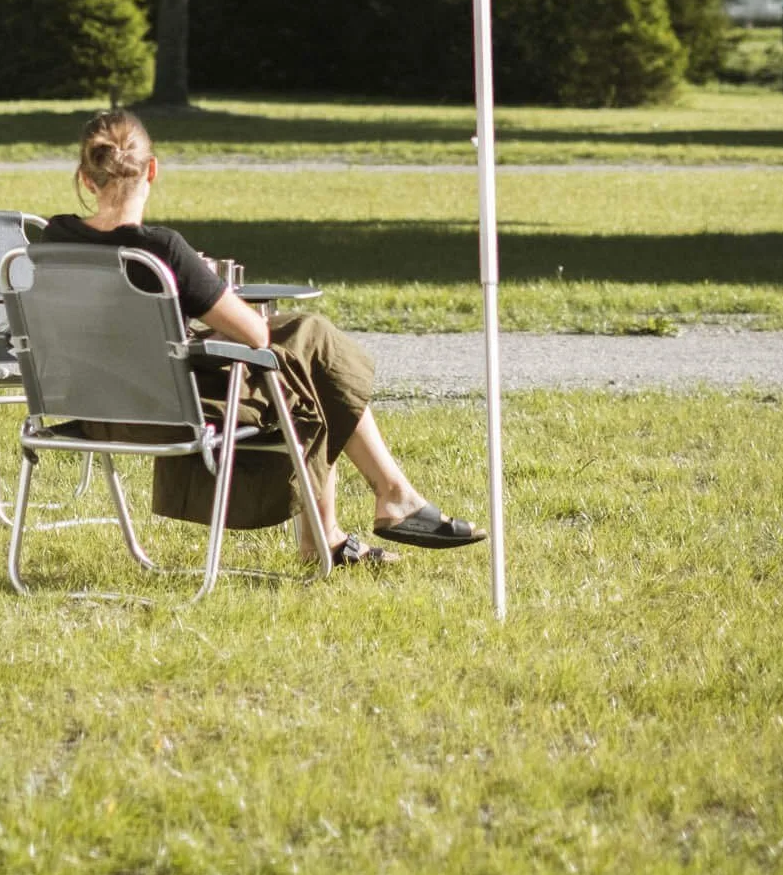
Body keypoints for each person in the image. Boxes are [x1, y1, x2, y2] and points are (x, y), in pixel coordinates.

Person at [41, 107, 484, 567]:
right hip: (170, 412)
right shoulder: (162, 251)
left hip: (93, 408)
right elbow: (254, 334)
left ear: (86, 177)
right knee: (310, 354)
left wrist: (192, 301)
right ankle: (370, 511)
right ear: (152, 169)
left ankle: (373, 509)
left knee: (307, 336)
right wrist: (212, 289)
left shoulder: (51, 243)